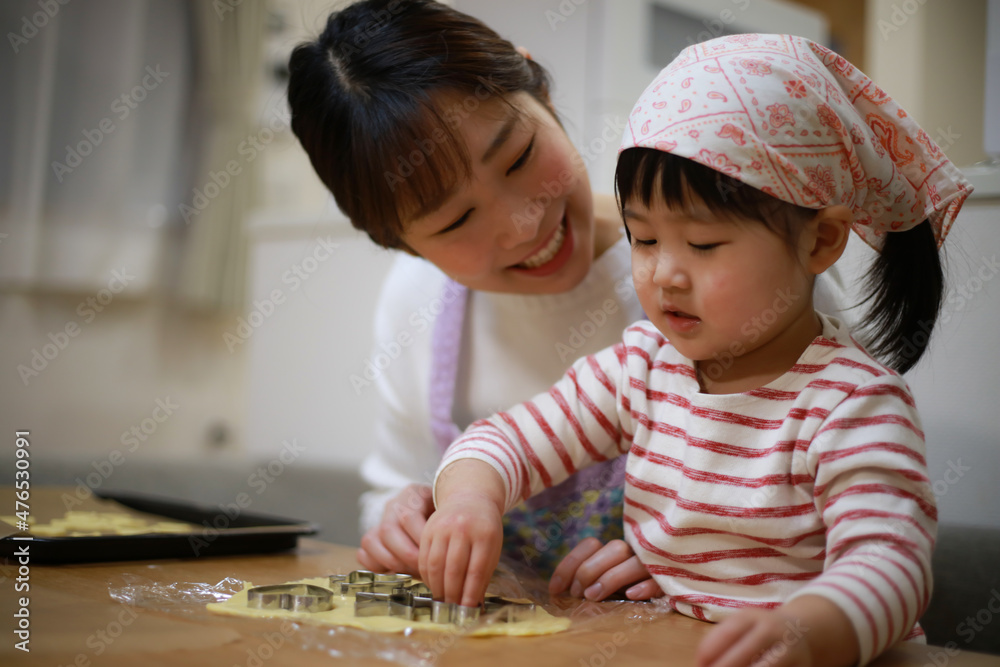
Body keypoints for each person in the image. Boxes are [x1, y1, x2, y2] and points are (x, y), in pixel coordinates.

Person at [420, 34, 971, 667]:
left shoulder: (851, 404)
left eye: (704, 245)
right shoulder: (643, 367)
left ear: (821, 241)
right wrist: (469, 499)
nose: (664, 276)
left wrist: (811, 628)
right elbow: (508, 439)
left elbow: (891, 562)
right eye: (645, 238)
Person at [285, 0, 662, 593]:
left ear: (540, 91)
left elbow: (832, 490)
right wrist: (399, 521)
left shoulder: (706, 262)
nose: (523, 226)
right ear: (398, 242)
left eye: (518, 156)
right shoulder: (421, 305)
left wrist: (703, 561)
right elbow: (393, 484)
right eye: (455, 221)